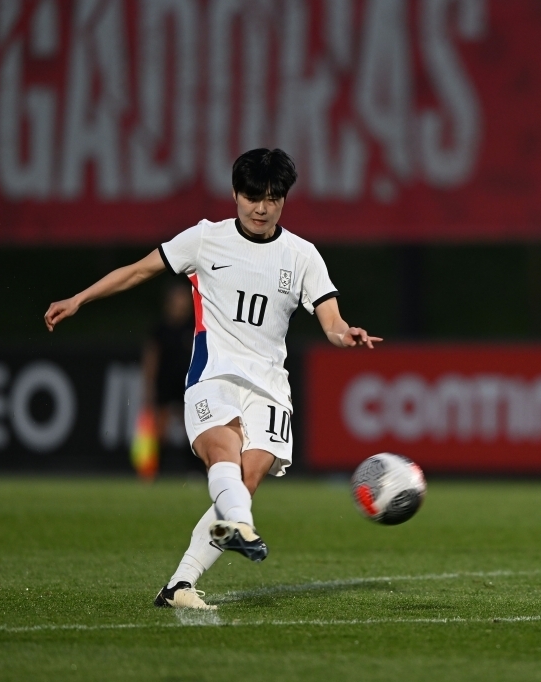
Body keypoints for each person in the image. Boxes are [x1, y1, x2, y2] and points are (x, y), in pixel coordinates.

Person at [44, 148, 381, 609]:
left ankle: (179, 585)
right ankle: (240, 527)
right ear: (235, 194)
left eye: (273, 198)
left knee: (247, 478)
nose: (262, 208)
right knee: (225, 454)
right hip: (213, 374)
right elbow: (139, 270)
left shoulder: (302, 255)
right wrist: (79, 298)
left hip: (269, 386)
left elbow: (332, 320)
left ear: (284, 198)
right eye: (252, 196)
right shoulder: (205, 240)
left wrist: (347, 336)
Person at [140, 281, 198, 472]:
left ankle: (196, 471)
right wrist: (149, 385)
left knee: (191, 429)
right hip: (165, 383)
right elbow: (151, 357)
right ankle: (154, 471)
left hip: (187, 385)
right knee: (160, 431)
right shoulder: (161, 329)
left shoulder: (194, 327)